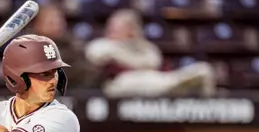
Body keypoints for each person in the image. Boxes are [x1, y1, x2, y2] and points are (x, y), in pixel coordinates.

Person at [85, 8, 216, 98]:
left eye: (119, 28)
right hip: (122, 84)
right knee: (135, 80)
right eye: (112, 27)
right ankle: (173, 88)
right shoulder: (101, 46)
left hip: (156, 79)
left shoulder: (147, 48)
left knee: (203, 69)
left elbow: (159, 66)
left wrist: (135, 46)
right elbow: (97, 61)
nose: (112, 31)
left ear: (132, 29)